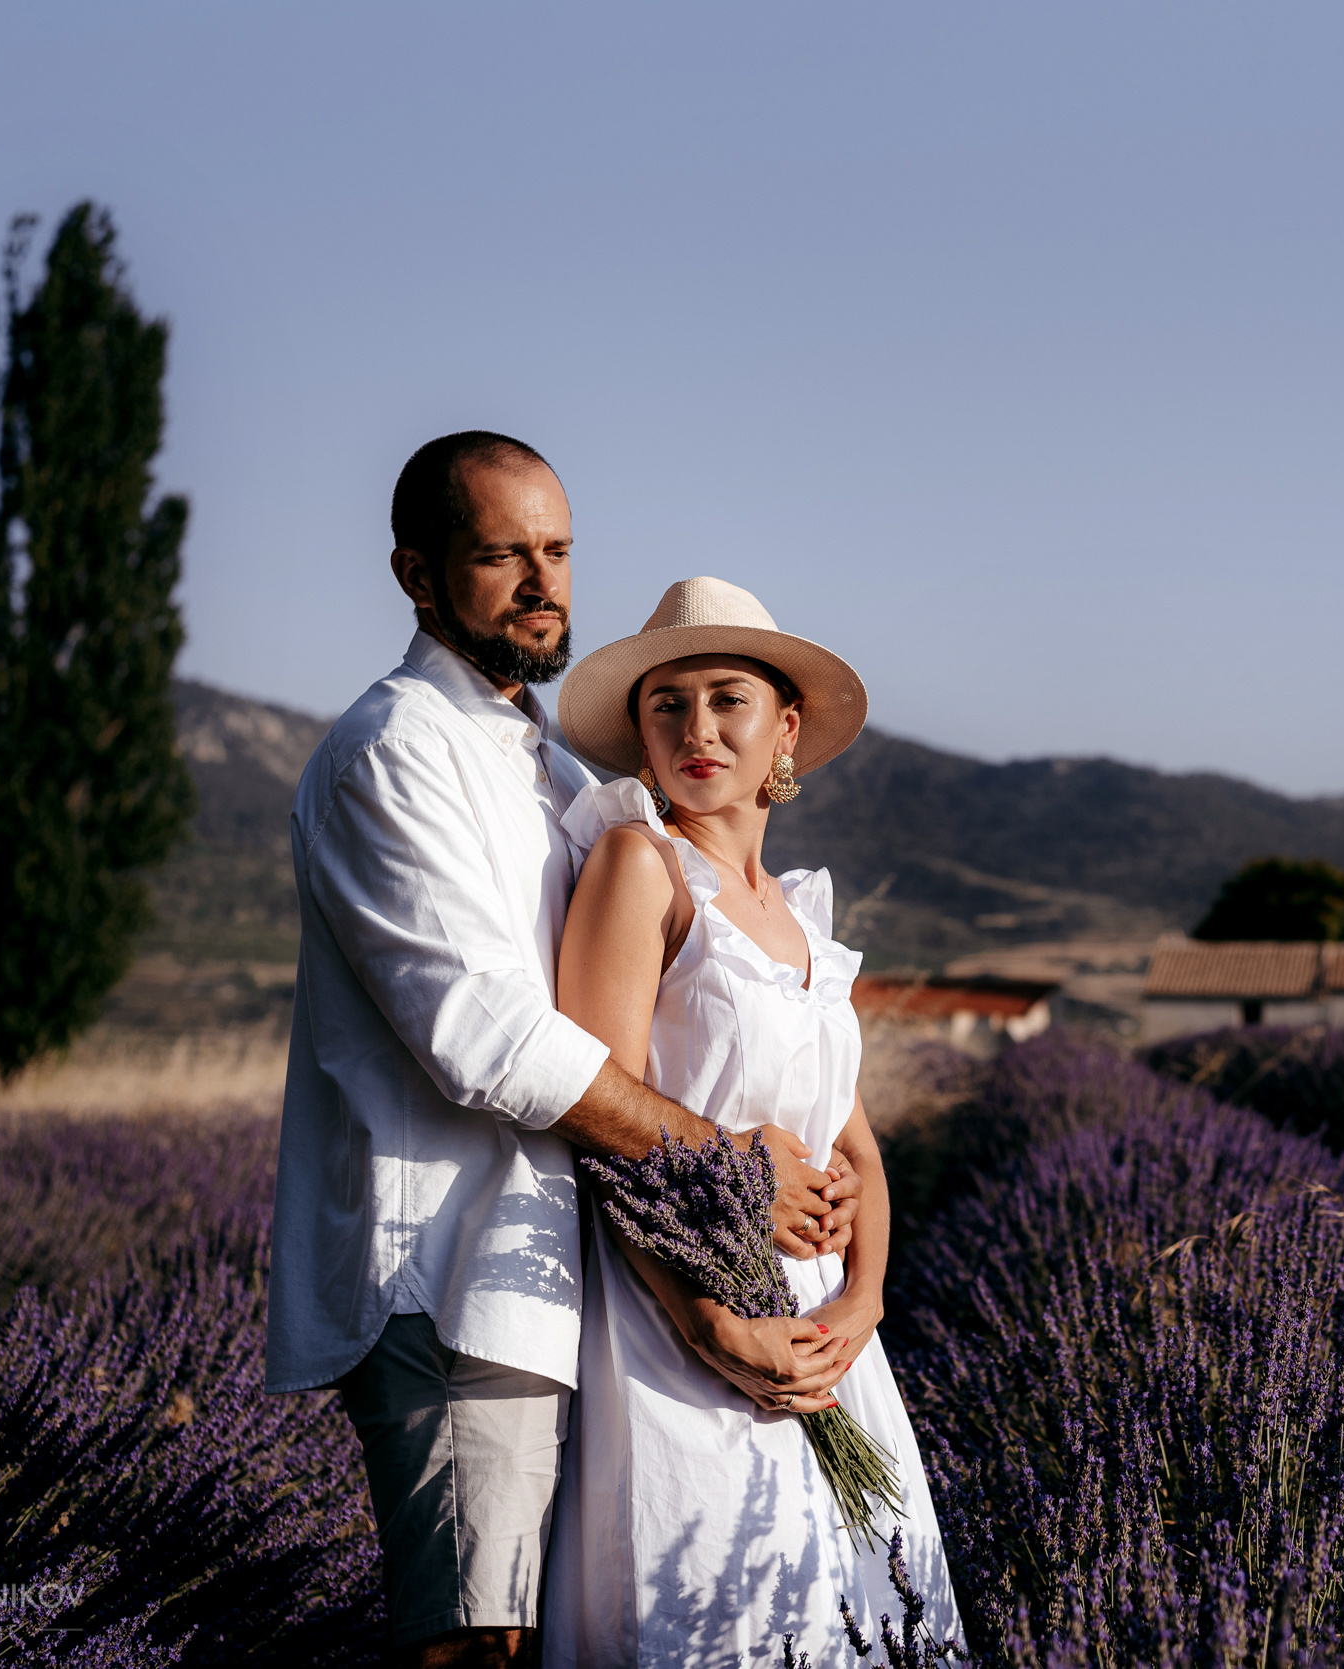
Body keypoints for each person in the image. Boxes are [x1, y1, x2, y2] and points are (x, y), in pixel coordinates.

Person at [265, 437, 861, 1669]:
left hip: (550, 1281)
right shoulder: (396, 749)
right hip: (450, 1267)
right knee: (472, 1644)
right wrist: (726, 1160)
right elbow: (484, 1040)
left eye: (557, 551)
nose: (543, 583)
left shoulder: (538, 764)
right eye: (500, 555)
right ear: (417, 576)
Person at [541, 576, 963, 1667]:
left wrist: (865, 1301)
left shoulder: (795, 914)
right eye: (666, 703)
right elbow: (598, 1120)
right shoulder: (640, 867)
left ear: (786, 728)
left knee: (859, 1615)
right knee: (722, 1610)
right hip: (681, 1321)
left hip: (826, 1336)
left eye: (728, 698)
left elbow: (853, 1144)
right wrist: (710, 1324)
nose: (695, 728)